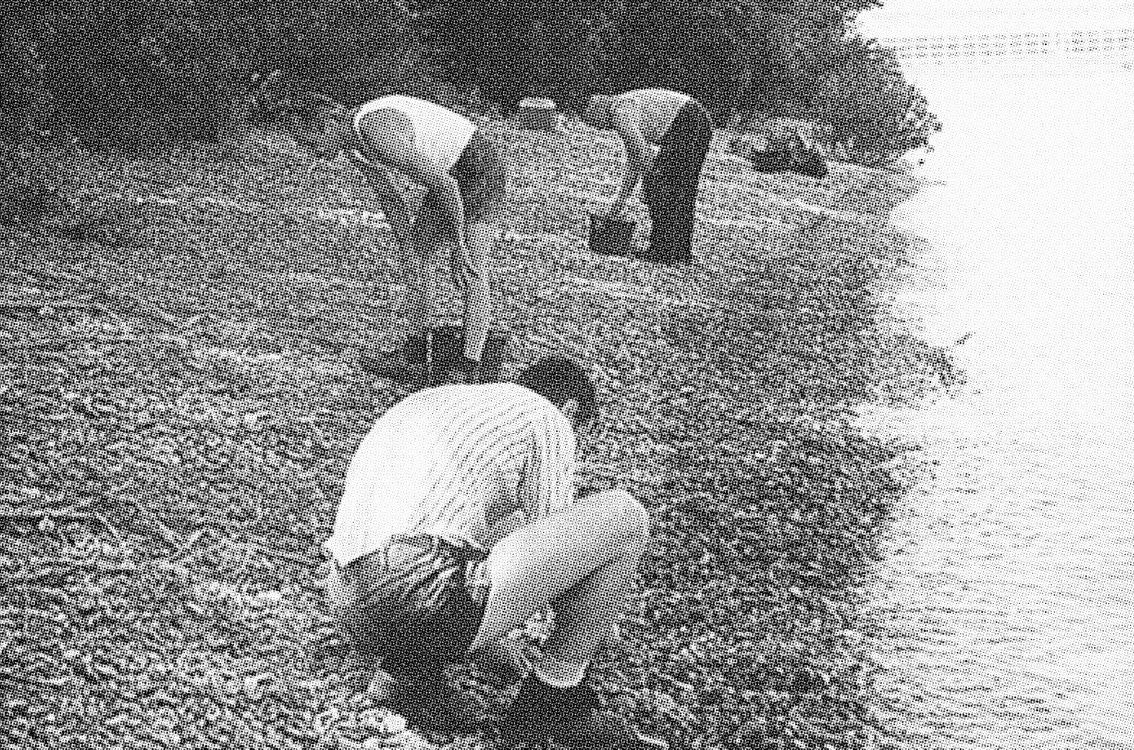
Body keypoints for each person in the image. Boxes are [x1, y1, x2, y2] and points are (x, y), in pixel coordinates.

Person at [322, 356, 658, 748]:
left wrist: (494, 639)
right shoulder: (546, 417)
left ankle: (406, 674)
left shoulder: (444, 400)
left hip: (347, 596)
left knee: (459, 536)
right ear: (571, 410)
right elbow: (553, 550)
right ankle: (553, 698)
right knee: (625, 516)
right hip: (412, 594)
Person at [259, 76, 506, 383]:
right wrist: (407, 246)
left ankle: (470, 368)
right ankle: (416, 355)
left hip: (479, 167)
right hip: (451, 174)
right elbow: (389, 196)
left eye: (309, 143)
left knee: (470, 268)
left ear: (325, 125)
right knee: (417, 258)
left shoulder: (374, 131)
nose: (311, 153)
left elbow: (446, 184)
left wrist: (458, 244)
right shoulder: (353, 144)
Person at [581, 89, 714, 264]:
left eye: (594, 122)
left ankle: (661, 251)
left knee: (661, 190)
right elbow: (635, 158)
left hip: (686, 121)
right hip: (700, 119)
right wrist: (620, 201)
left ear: (597, 107)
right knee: (683, 190)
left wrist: (649, 184)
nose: (599, 128)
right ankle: (681, 252)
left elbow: (640, 152)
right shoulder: (624, 105)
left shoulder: (619, 111)